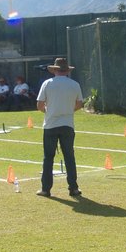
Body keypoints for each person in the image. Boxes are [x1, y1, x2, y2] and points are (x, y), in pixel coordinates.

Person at [36, 58, 84, 197]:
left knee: (48, 157)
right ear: (67, 71)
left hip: (51, 124)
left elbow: (39, 105)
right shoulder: (74, 84)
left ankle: (46, 189)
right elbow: (80, 104)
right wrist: (69, 110)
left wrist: (49, 111)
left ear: (55, 70)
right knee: (69, 156)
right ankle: (73, 188)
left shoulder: (48, 83)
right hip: (68, 124)